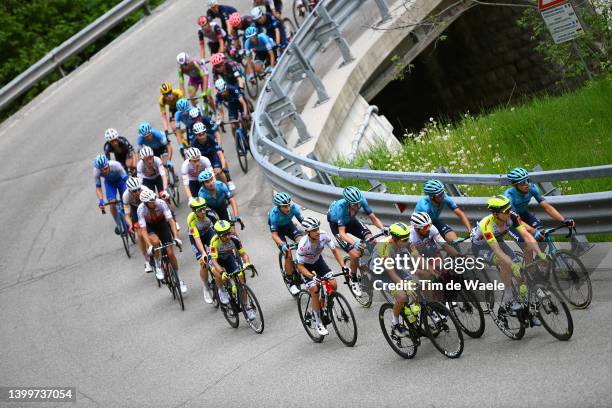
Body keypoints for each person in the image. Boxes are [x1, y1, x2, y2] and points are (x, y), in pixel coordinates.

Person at [470, 195, 546, 317]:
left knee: (519, 271)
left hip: (498, 241)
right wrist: (511, 264)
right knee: (505, 263)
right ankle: (508, 299)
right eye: (505, 211)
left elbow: (526, 236)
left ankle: (525, 302)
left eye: (509, 208)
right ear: (495, 214)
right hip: (481, 248)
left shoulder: (512, 217)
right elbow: (497, 251)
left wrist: (539, 253)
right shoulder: (486, 225)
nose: (509, 212)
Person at [327, 186, 386, 296]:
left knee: (371, 240)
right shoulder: (340, 209)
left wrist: (383, 228)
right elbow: (342, 233)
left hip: (351, 221)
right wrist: (355, 243)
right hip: (338, 227)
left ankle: (374, 266)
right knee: (355, 255)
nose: (358, 206)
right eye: (354, 204)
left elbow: (373, 218)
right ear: (348, 202)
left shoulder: (360, 200)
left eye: (359, 203)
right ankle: (353, 279)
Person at [296, 217, 347, 336]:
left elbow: (334, 250)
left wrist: (343, 266)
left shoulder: (323, 235)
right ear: (308, 232)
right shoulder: (303, 245)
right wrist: (312, 277)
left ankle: (326, 304)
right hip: (306, 266)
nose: (318, 231)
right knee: (314, 289)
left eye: (318, 228)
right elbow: (300, 266)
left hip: (318, 262)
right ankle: (317, 320)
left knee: (333, 284)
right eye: (314, 230)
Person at [369, 222, 414, 337]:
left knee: (418, 284)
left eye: (408, 238)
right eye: (404, 239)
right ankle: (395, 323)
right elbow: (391, 273)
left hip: (394, 266)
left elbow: (415, 257)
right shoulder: (384, 247)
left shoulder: (404, 241)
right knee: (402, 296)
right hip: (381, 274)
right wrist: (404, 285)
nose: (407, 241)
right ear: (394, 238)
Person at [504, 167, 575, 241]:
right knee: (528, 243)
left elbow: (546, 207)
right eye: (522, 182)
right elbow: (515, 219)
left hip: (524, 214)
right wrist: (533, 231)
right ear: (515, 185)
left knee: (544, 237)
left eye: (527, 180)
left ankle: (540, 253)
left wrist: (563, 220)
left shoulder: (532, 188)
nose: (527, 184)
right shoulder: (509, 196)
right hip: (511, 221)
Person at [137, 189, 185, 293]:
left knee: (170, 253)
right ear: (145, 203)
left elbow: (171, 221)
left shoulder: (161, 203)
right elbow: (143, 230)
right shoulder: (141, 209)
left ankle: (179, 279)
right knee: (155, 241)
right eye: (151, 202)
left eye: (154, 200)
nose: (154, 202)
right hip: (150, 227)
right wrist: (149, 246)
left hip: (162, 224)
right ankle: (158, 264)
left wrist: (176, 237)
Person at [209, 220, 255, 320]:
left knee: (241, 278)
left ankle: (246, 306)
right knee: (217, 273)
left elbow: (243, 254)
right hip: (216, 261)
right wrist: (222, 272)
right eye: (224, 235)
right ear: (218, 235)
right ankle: (221, 290)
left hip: (229, 257)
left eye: (228, 233)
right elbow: (214, 261)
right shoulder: (214, 242)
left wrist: (247, 263)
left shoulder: (234, 239)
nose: (227, 237)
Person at [268, 192, 304, 295]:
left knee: (302, 243)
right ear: (278, 207)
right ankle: (290, 281)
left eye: (288, 205)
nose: (288, 208)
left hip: (289, 226)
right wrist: (283, 245)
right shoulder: (273, 215)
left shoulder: (293, 208)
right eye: (284, 206)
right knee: (287, 254)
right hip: (279, 232)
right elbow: (274, 235)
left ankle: (301, 265)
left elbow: (304, 222)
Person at [187, 197, 219, 303]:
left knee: (217, 252)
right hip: (196, 238)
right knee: (203, 262)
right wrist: (203, 252)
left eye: (203, 208)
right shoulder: (191, 219)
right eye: (199, 210)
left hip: (208, 233)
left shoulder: (210, 213)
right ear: (194, 211)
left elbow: (218, 226)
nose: (202, 212)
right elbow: (196, 238)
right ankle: (206, 287)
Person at [122, 177, 153, 272]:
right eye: (134, 191)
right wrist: (131, 225)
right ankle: (146, 260)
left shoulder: (145, 189)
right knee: (139, 234)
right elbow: (127, 215)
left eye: (138, 189)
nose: (137, 192)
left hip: (146, 206)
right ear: (129, 191)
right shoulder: (126, 196)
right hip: (135, 209)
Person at [93, 155, 128, 234]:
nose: (104, 171)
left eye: (105, 168)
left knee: (126, 199)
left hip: (121, 181)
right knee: (112, 202)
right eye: (102, 170)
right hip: (110, 183)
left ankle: (129, 216)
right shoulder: (96, 171)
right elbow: (98, 188)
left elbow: (127, 180)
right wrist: (101, 201)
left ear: (108, 164)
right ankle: (118, 225)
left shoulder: (116, 165)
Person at [190, 122, 232, 187]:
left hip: (213, 157)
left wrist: (223, 167)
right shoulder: (193, 144)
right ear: (196, 135)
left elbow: (220, 154)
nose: (202, 137)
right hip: (202, 160)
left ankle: (227, 186)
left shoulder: (210, 138)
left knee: (218, 172)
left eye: (203, 134)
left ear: (206, 132)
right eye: (199, 135)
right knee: (204, 178)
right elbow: (193, 161)